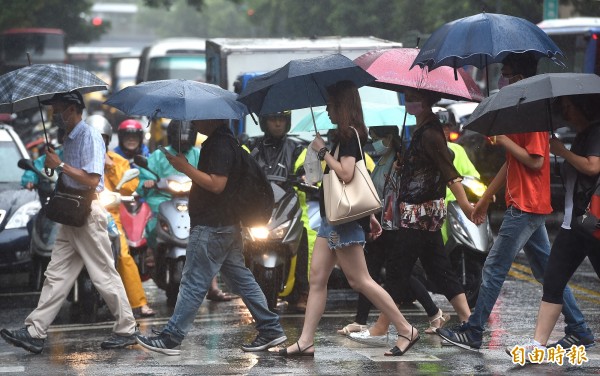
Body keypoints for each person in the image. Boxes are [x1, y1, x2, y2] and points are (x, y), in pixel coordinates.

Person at [437, 52, 594, 351]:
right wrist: (483, 201)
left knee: (494, 267)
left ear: (520, 76)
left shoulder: (532, 114)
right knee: (548, 271)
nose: (502, 78)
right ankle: (579, 328)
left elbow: (535, 161)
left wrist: (504, 140)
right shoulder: (518, 113)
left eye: (506, 72)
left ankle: (474, 330)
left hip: (527, 204)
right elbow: (511, 165)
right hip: (523, 202)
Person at [278, 80, 417, 357]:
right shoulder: (346, 135)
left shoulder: (349, 136)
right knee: (317, 278)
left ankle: (406, 329)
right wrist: (370, 216)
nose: (327, 110)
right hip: (333, 219)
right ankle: (306, 341)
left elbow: (347, 174)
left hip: (342, 222)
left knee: (360, 280)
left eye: (330, 104)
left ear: (341, 105)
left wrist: (322, 153)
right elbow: (358, 180)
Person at [0, 91, 138, 354]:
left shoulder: (89, 136)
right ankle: (35, 331)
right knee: (57, 274)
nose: (55, 115)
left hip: (87, 212)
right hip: (70, 213)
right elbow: (67, 175)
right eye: (53, 110)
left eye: (58, 109)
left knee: (103, 273)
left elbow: (92, 179)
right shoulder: (69, 138)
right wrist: (55, 162)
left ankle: (127, 329)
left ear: (73, 110)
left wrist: (60, 164)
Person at [136, 118, 287, 355]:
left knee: (194, 282)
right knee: (242, 280)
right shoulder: (226, 142)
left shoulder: (219, 145)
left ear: (214, 117)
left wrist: (184, 167)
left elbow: (217, 184)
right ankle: (271, 328)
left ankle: (172, 338)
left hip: (212, 226)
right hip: (225, 226)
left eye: (199, 116)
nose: (194, 122)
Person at [349, 89, 474, 346]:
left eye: (416, 98)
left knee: (398, 267)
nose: (410, 102)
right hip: (419, 211)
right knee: (438, 268)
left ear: (428, 102)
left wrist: (467, 206)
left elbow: (449, 172)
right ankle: (470, 323)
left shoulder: (430, 133)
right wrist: (403, 166)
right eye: (407, 97)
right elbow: (422, 168)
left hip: (421, 213)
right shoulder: (420, 130)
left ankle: (382, 326)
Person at [337, 126, 452, 340]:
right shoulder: (381, 162)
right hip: (380, 224)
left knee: (394, 273)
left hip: (393, 226)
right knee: (376, 272)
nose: (373, 143)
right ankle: (361, 320)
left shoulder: (400, 163)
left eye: (377, 138)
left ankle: (433, 313)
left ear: (389, 138)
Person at [509, 94, 600, 356]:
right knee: (553, 280)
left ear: (583, 107)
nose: (565, 111)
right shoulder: (582, 134)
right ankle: (537, 345)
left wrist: (561, 151)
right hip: (574, 225)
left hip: (592, 223)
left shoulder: (595, 132)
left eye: (568, 106)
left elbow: (593, 167)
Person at [137, 120, 230, 302]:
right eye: (179, 134)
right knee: (151, 222)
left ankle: (213, 286)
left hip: (193, 200)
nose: (183, 138)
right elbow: (144, 177)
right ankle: (151, 253)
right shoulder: (159, 155)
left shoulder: (199, 153)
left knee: (207, 235)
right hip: (164, 199)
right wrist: (148, 183)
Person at [88, 114, 156, 318]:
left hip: (111, 217)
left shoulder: (118, 161)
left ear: (108, 139)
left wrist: (109, 165)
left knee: (124, 255)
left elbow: (129, 186)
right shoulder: (79, 159)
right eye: (93, 138)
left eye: (102, 138)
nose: (98, 143)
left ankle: (139, 302)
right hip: (83, 215)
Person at [251, 111, 311, 311]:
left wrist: (304, 176)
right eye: (272, 118)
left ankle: (303, 290)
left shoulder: (298, 147)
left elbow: (306, 168)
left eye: (281, 119)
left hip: (290, 204)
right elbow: (240, 165)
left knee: (304, 238)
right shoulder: (250, 145)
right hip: (257, 205)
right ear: (263, 121)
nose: (277, 123)